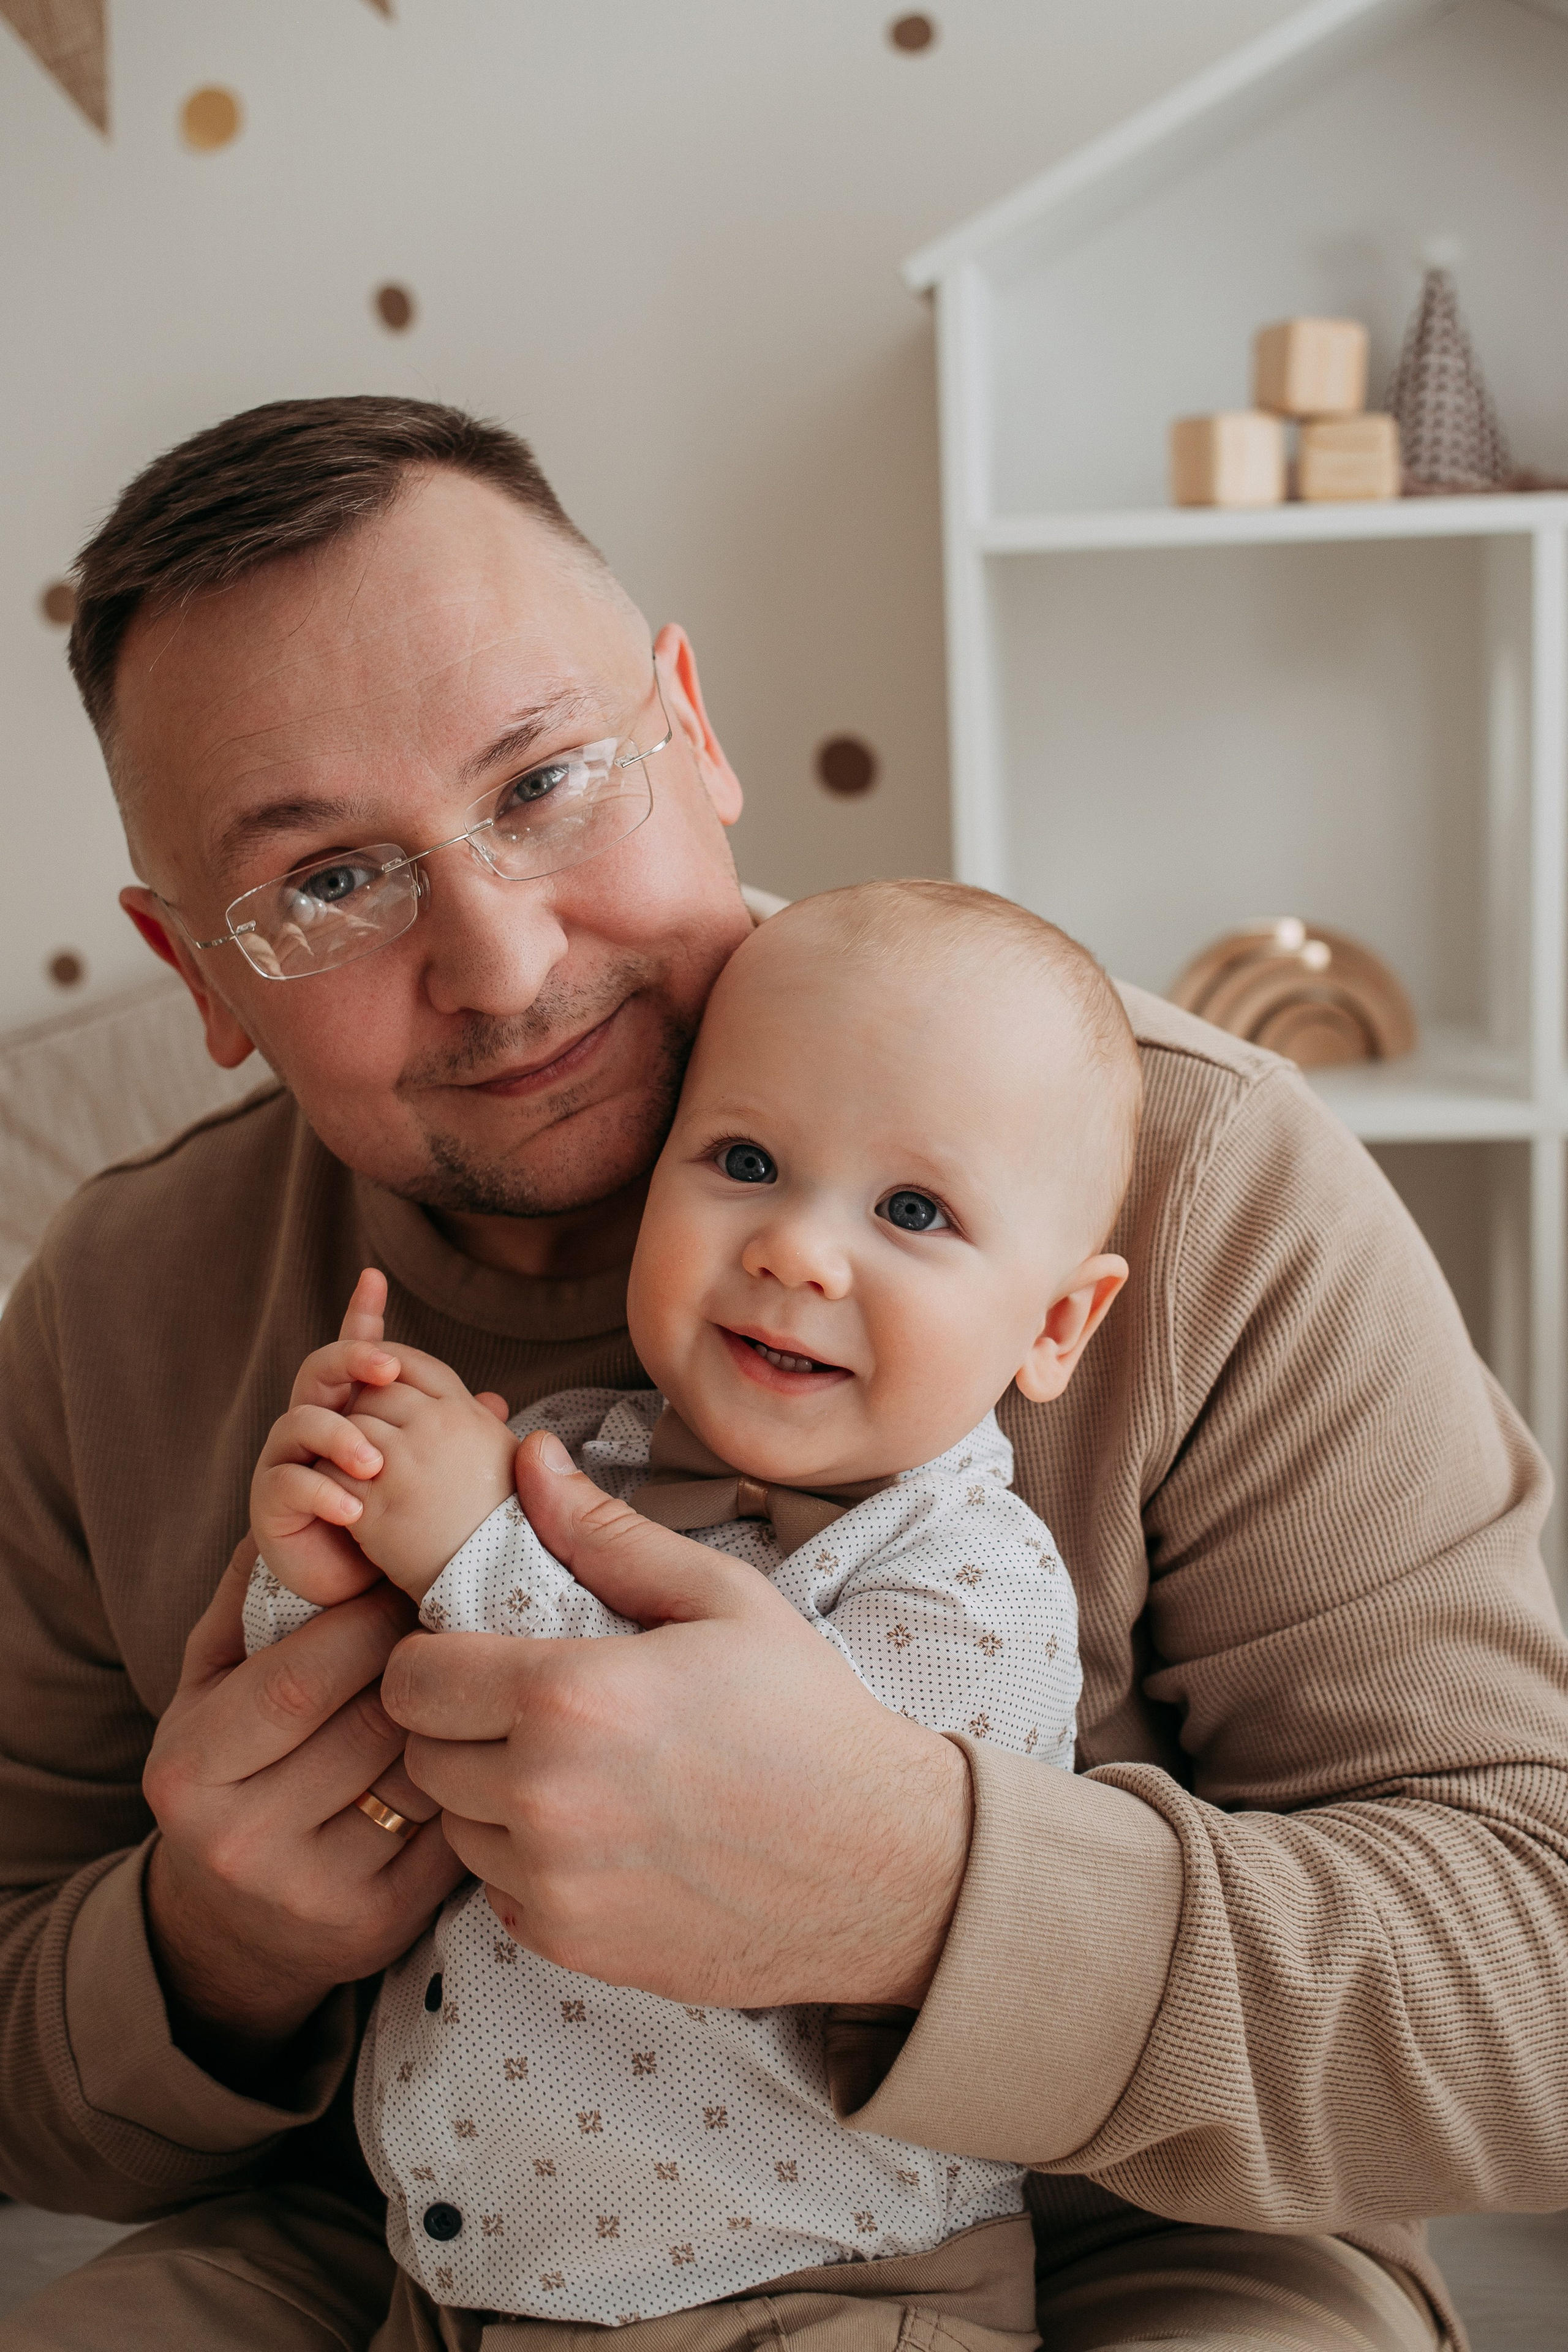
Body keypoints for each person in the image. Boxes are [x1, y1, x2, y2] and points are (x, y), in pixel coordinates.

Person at [1, 396, 1566, 2352]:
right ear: (198, 975)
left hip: (1114, 2240)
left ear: (695, 731)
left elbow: (1536, 1982)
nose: (499, 960)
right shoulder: (119, 1300)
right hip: (377, 2236)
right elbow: (30, 2074)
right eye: (325, 884)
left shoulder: (1193, 1179)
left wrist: (917, 1890)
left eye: (548, 779)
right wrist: (203, 1950)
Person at [242, 880, 1131, 2342]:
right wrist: (327, 1554)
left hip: (814, 2285)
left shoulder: (977, 1575)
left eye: (912, 1208)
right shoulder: (558, 1451)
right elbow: (350, 1745)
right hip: (467, 2271)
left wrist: (465, 1541)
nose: (793, 1249)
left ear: (1052, 1326)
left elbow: (722, 1791)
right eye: (743, 1158)